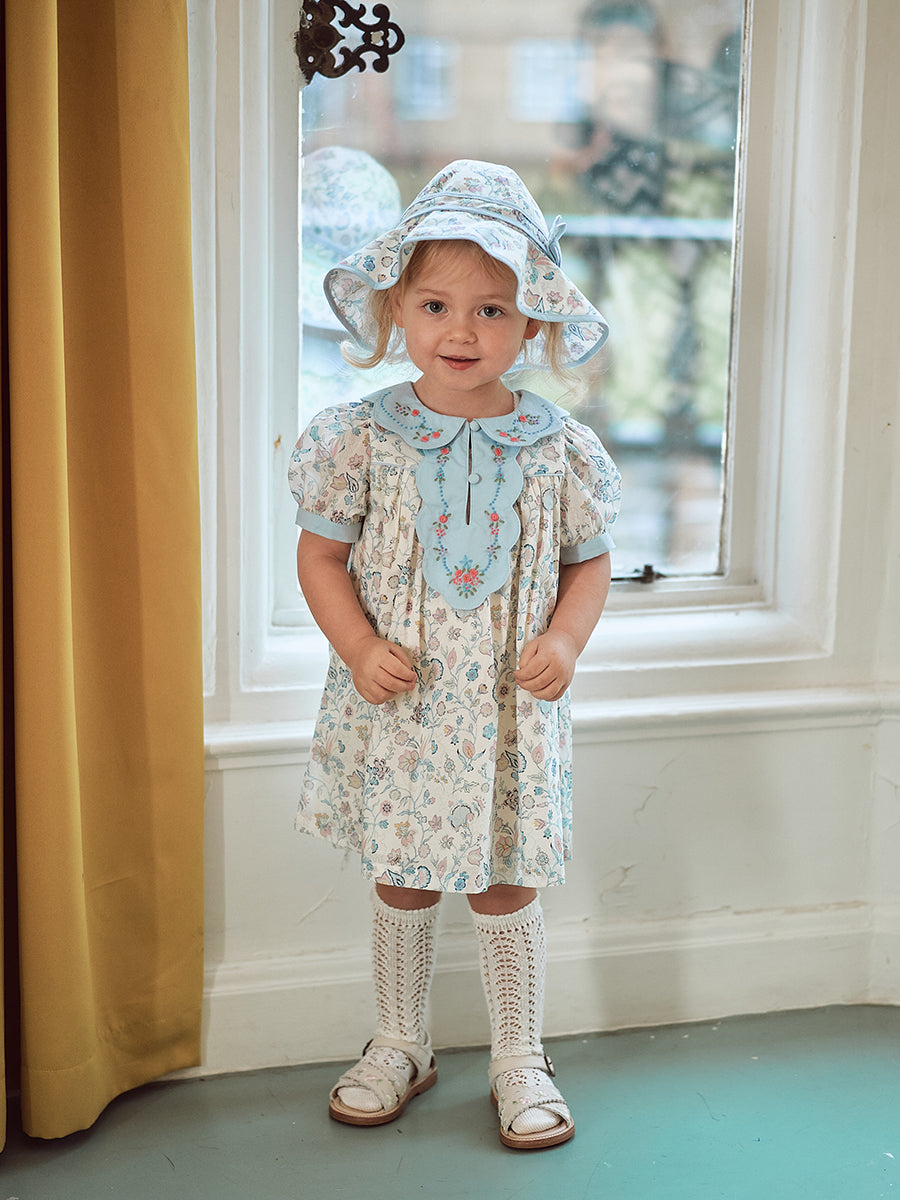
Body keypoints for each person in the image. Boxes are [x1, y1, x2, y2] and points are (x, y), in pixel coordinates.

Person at [289, 159, 621, 1150]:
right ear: (396, 309)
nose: (462, 332)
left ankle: (520, 1052)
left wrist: (565, 637)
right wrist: (357, 645)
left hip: (509, 709)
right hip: (403, 704)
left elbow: (590, 563)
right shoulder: (361, 438)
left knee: (505, 878)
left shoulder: (558, 448)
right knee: (403, 873)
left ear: (534, 322)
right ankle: (400, 1039)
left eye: (492, 310)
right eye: (435, 305)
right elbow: (321, 556)